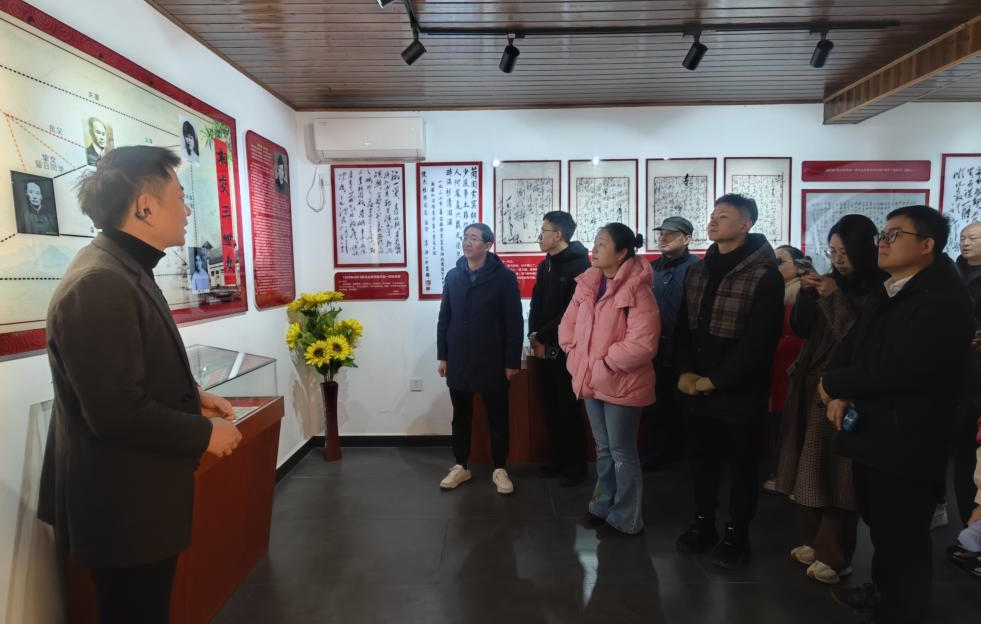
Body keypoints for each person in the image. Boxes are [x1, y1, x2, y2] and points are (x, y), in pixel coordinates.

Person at [37, 146, 243, 624]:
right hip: (122, 509)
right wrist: (205, 434)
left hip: (134, 501)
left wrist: (195, 398)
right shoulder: (100, 282)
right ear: (145, 207)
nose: (187, 210)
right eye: (180, 196)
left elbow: (127, 374)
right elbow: (116, 413)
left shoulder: (123, 268)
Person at [823, 205, 974, 624]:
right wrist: (838, 388)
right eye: (882, 235)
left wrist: (835, 385)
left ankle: (903, 610)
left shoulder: (944, 301)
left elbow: (900, 369)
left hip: (908, 439)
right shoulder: (891, 288)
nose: (883, 243)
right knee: (882, 526)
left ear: (927, 245)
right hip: (875, 432)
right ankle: (885, 594)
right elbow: (853, 345)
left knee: (903, 535)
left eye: (894, 235)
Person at [673, 193, 785, 569]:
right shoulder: (699, 270)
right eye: (712, 215)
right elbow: (683, 326)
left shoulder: (765, 274)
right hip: (696, 386)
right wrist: (685, 371)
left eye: (723, 216)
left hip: (740, 391)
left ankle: (737, 534)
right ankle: (703, 523)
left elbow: (759, 344)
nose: (713, 221)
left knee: (742, 466)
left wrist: (715, 381)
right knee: (701, 461)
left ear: (746, 224)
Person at [775, 215, 885, 585]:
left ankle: (836, 555)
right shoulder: (832, 282)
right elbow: (802, 329)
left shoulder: (878, 291)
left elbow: (856, 339)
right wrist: (809, 296)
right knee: (806, 467)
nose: (838, 260)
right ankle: (815, 540)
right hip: (809, 384)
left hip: (843, 391)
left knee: (837, 474)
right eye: (833, 252)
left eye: (845, 253)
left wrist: (834, 297)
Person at [559, 222, 660, 536]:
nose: (594, 248)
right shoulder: (588, 283)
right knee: (603, 449)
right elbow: (568, 325)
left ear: (622, 253)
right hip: (590, 379)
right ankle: (602, 505)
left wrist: (604, 364)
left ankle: (627, 517)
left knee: (622, 452)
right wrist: (576, 356)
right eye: (595, 242)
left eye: (602, 244)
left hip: (621, 383)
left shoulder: (638, 290)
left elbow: (643, 344)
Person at [437, 223, 523, 495]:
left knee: (498, 418)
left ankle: (500, 468)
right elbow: (445, 317)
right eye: (465, 237)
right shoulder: (453, 276)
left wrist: (512, 361)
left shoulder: (504, 277)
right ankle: (460, 465)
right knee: (460, 417)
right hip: (459, 359)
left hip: (492, 360)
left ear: (487, 245)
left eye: (473, 238)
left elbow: (514, 321)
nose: (467, 242)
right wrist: (443, 356)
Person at [528, 211, 591, 486]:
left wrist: (541, 335)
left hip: (568, 348)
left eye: (543, 231)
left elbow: (570, 312)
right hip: (544, 345)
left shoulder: (580, 265)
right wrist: (534, 334)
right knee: (550, 405)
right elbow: (536, 302)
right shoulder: (546, 264)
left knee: (568, 407)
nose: (539, 236)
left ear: (558, 234)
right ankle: (557, 458)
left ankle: (576, 465)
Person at [642, 216, 701, 472]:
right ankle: (658, 452)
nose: (663, 238)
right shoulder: (650, 268)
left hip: (686, 348)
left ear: (687, 239)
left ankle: (688, 458)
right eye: (661, 233)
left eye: (670, 234)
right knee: (655, 403)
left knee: (686, 404)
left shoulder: (698, 268)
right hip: (653, 347)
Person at [762, 244, 806, 492]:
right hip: (774, 370)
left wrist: (767, 344)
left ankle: (789, 475)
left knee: (788, 423)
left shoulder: (801, 295)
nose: (774, 267)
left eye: (780, 262)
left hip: (790, 371)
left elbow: (800, 338)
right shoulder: (774, 294)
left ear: (798, 266)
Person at [954, 221, 981, 525]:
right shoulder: (951, 275)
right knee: (962, 457)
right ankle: (966, 524)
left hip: (977, 377)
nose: (966, 242)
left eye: (973, 238)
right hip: (954, 374)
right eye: (963, 237)